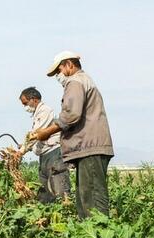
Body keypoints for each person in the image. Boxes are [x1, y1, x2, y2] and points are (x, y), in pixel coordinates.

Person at [33, 51, 114, 218]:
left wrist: (46, 132)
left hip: (90, 146)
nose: (58, 76)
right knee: (85, 196)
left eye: (59, 71)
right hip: (91, 147)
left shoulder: (75, 82)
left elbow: (71, 114)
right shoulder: (84, 80)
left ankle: (100, 237)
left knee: (91, 199)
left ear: (69, 64)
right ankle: (93, 234)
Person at [17, 87, 71, 203]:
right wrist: (26, 146)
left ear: (34, 100)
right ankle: (47, 213)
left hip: (54, 153)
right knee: (45, 190)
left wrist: (21, 151)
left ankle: (65, 211)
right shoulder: (37, 114)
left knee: (59, 186)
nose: (25, 107)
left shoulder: (45, 110)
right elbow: (37, 137)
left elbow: (35, 134)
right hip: (44, 155)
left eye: (25, 103)